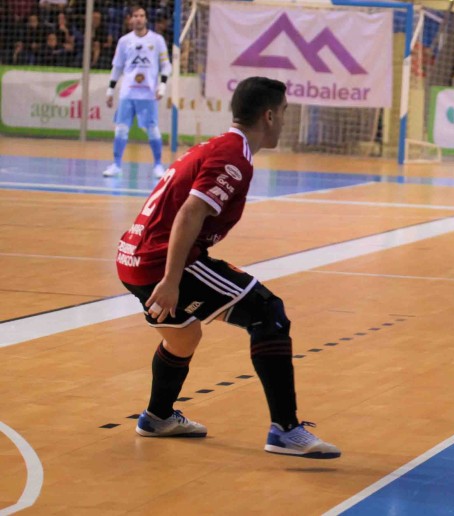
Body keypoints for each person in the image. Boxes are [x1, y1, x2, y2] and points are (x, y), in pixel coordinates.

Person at [114, 76, 341, 459]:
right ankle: (286, 430)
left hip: (132, 256)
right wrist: (171, 281)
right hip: (161, 261)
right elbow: (190, 213)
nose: (285, 120)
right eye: (284, 112)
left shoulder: (219, 147)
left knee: (183, 337)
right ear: (269, 115)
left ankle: (157, 417)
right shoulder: (233, 156)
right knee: (268, 313)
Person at [102, 5, 171, 178]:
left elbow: (166, 65)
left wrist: (162, 86)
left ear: (146, 18)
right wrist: (110, 90)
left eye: (142, 15)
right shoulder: (124, 41)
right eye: (135, 15)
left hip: (148, 94)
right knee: (121, 129)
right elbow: (117, 67)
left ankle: (158, 165)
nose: (139, 18)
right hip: (128, 93)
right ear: (130, 19)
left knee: (153, 129)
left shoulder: (157, 40)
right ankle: (117, 165)